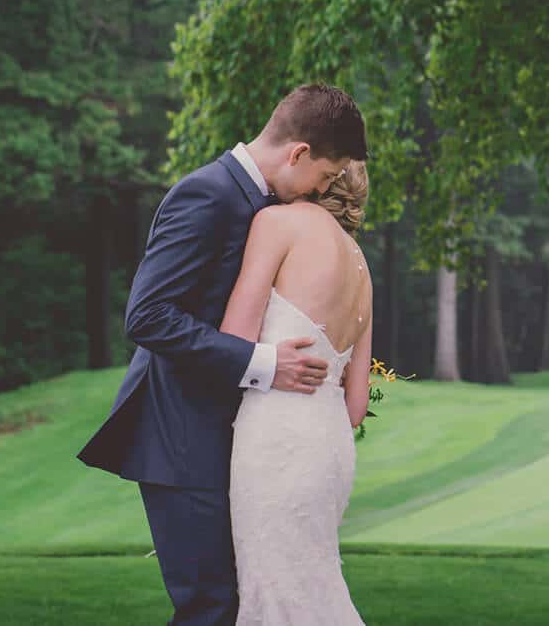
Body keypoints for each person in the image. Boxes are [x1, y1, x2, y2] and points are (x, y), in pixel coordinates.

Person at [78, 84, 366, 626]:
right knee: (212, 608)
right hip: (180, 436)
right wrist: (265, 363)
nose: (325, 190)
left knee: (239, 604)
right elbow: (147, 317)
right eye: (326, 176)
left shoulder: (270, 211)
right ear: (298, 153)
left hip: (228, 438)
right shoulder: (207, 193)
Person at [219, 159, 373, 625]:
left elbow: (233, 344)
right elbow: (356, 406)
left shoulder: (277, 224)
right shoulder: (361, 265)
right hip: (329, 448)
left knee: (277, 594)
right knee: (313, 586)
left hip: (278, 441)